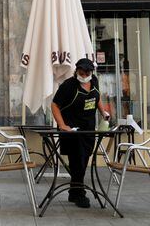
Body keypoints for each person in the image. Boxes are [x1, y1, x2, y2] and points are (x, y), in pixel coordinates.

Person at [51, 58, 109, 208]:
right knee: (77, 160)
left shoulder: (94, 81)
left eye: (87, 73)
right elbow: (55, 104)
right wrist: (62, 125)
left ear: (91, 72)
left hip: (89, 128)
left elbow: (97, 98)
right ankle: (80, 193)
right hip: (71, 130)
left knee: (83, 160)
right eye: (81, 73)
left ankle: (73, 192)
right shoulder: (68, 86)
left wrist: (103, 112)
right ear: (76, 71)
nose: (84, 76)